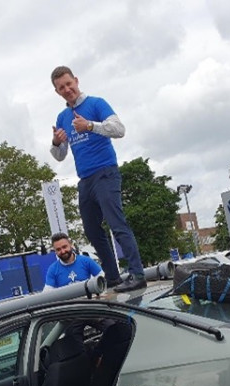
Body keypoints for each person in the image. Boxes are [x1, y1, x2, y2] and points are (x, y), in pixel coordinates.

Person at [49, 65, 146, 293]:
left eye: (69, 84)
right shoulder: (62, 117)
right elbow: (60, 155)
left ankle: (137, 273)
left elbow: (119, 129)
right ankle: (112, 276)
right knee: (92, 230)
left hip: (105, 172)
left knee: (116, 223)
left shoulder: (96, 104)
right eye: (61, 87)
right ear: (57, 92)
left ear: (76, 80)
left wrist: (90, 125)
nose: (67, 89)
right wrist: (55, 142)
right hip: (85, 179)